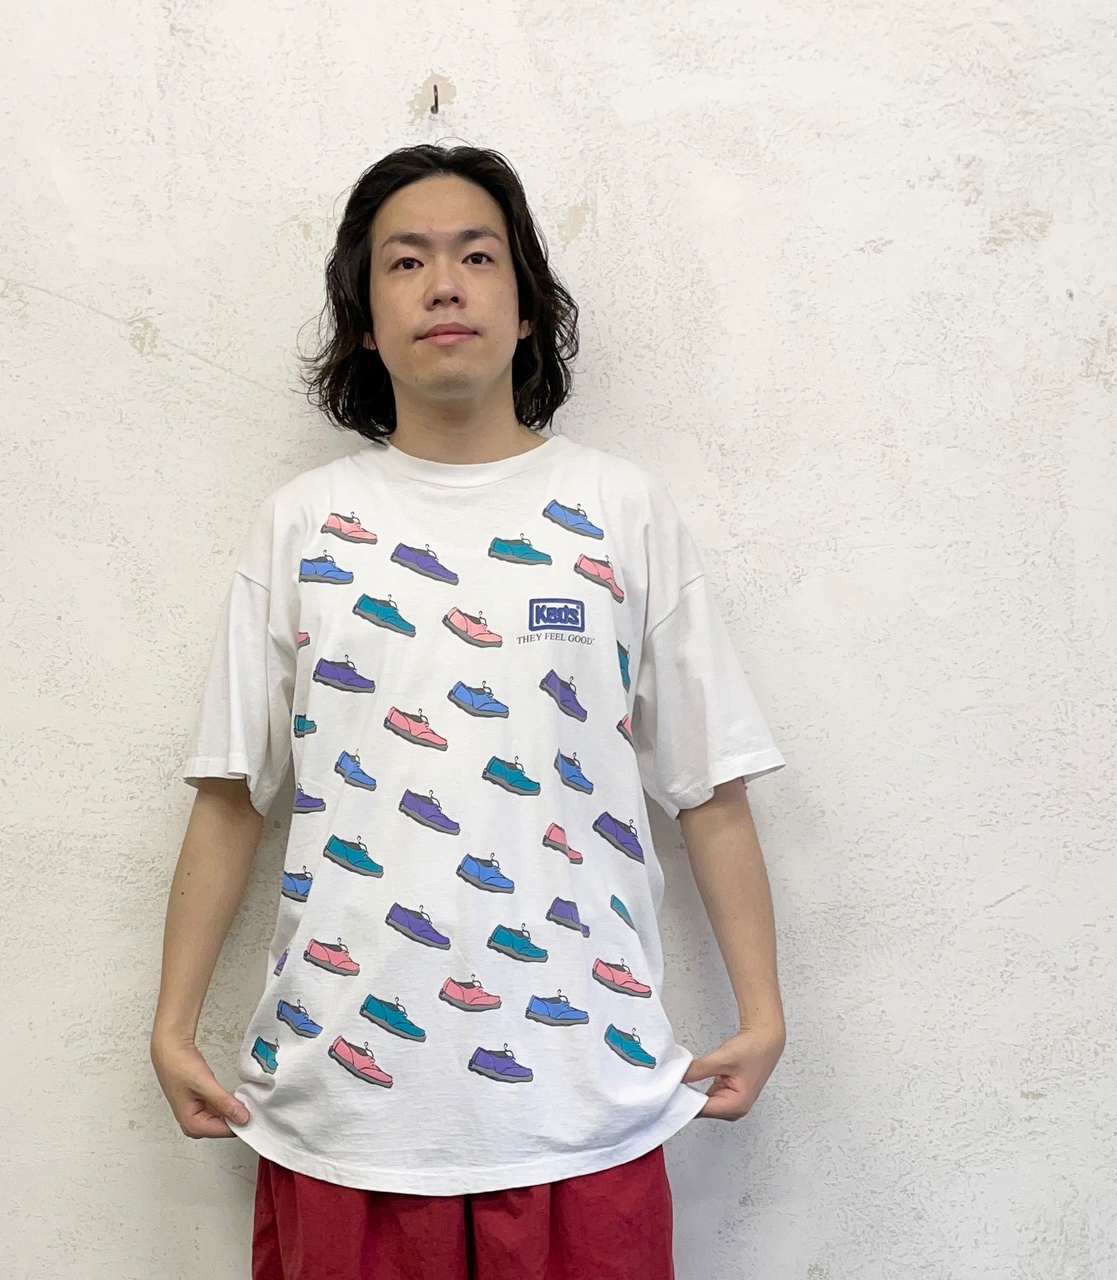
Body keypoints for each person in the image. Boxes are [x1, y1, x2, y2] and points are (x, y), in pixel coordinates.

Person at [150, 143, 788, 1280]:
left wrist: (763, 1008)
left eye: (477, 256)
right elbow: (229, 793)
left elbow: (711, 784)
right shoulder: (302, 525)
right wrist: (171, 1020)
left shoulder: (621, 510)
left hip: (583, 1096)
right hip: (338, 1103)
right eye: (405, 261)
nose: (443, 284)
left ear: (528, 305)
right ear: (362, 320)